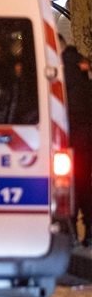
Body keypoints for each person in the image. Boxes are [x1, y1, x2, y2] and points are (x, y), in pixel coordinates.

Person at [60, 35, 92, 246]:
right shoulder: (83, 66)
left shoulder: (62, 68)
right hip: (86, 136)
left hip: (68, 136)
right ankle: (89, 230)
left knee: (67, 184)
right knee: (84, 183)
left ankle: (69, 230)